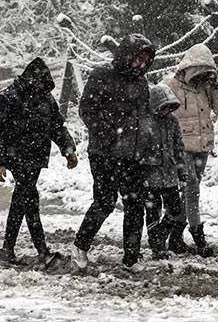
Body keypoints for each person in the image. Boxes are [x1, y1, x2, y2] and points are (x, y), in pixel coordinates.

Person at [71, 34, 156, 272]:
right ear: (127, 55)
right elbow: (87, 110)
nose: (141, 65)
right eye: (138, 59)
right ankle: (80, 246)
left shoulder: (141, 83)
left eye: (145, 61)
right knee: (105, 202)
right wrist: (109, 134)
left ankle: (131, 258)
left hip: (133, 154)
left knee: (135, 204)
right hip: (104, 152)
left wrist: (146, 144)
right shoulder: (101, 76)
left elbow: (144, 116)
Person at [0, 57, 77, 269]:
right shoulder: (8, 98)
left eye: (43, 84)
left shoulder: (46, 99)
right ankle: (41, 251)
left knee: (22, 201)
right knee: (29, 199)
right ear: (29, 79)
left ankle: (8, 250)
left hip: (35, 159)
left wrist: (68, 149)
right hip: (16, 157)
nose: (40, 87)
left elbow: (56, 127)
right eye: (37, 83)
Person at [167, 43, 218, 257]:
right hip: (180, 147)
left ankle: (174, 235)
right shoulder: (171, 85)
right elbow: (158, 110)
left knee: (189, 193)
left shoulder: (207, 88)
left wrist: (217, 85)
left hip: (202, 147)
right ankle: (197, 235)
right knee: (191, 189)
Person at [141, 83, 186, 259]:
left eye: (169, 108)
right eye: (163, 108)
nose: (166, 111)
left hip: (169, 174)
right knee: (152, 211)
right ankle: (157, 246)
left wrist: (181, 170)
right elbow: (140, 150)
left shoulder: (172, 121)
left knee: (175, 209)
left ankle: (160, 233)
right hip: (150, 176)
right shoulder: (145, 122)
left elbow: (178, 146)